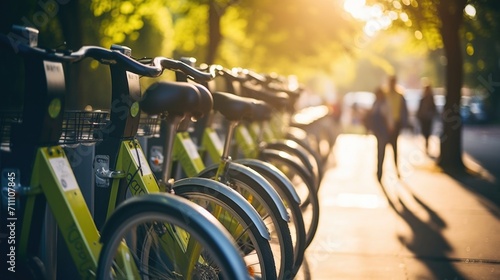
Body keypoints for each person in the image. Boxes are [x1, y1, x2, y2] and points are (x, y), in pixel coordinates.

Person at [383, 75, 409, 178]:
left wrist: (404, 123)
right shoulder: (385, 94)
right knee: (383, 149)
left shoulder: (400, 95)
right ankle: (382, 170)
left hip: (396, 123)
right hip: (385, 125)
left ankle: (396, 168)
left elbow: (404, 110)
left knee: (395, 148)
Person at [365, 87, 390, 181]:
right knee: (379, 150)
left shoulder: (385, 104)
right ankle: (379, 170)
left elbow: (389, 117)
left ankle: (380, 170)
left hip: (383, 130)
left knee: (381, 150)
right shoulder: (376, 104)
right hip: (377, 130)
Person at [417, 82, 437, 154]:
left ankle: (427, 144)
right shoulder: (423, 98)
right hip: (423, 118)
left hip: (428, 118)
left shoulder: (431, 99)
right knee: (424, 132)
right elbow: (419, 109)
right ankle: (426, 144)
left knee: (427, 132)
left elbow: (434, 109)